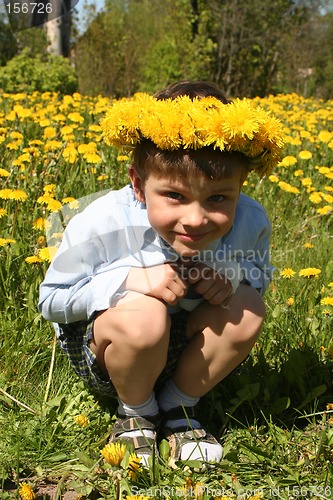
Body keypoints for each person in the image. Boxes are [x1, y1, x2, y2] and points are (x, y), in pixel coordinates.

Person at [38, 81, 284, 465]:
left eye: (219, 198)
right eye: (174, 196)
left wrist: (233, 275)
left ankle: (178, 409)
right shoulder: (103, 220)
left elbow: (261, 274)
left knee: (248, 306)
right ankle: (136, 412)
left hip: (185, 347)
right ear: (139, 184)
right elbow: (50, 300)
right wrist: (127, 280)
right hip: (114, 350)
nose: (196, 219)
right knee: (144, 313)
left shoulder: (250, 220)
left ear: (241, 186)